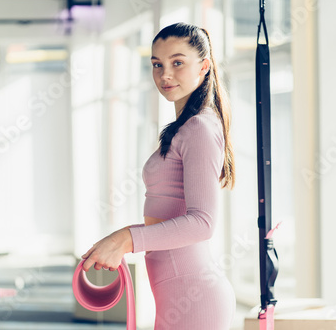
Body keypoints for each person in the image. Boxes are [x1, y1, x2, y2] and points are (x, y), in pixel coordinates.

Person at [82, 22, 236, 329]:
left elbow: (202, 223)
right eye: (157, 64)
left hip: (194, 299)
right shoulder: (187, 127)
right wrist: (119, 242)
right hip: (178, 295)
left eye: (177, 63)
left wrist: (126, 239)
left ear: (204, 67)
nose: (164, 74)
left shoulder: (199, 128)